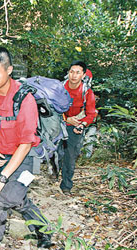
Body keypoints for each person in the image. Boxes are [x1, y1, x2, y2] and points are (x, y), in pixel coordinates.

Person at [0, 46, 52, 249]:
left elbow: (26, 143)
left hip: (27, 159)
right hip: (5, 157)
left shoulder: (24, 99)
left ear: (8, 70)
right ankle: (45, 231)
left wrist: (2, 177)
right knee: (17, 200)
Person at [59, 60, 97, 195]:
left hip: (75, 125)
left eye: (77, 73)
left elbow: (91, 114)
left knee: (70, 156)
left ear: (83, 75)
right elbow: (50, 108)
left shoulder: (87, 92)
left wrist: (82, 125)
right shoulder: (60, 88)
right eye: (71, 72)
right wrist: (65, 119)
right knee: (55, 152)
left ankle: (66, 186)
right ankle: (53, 171)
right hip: (59, 122)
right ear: (68, 73)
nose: (74, 75)